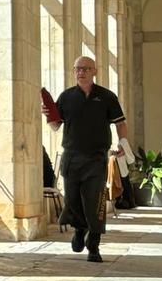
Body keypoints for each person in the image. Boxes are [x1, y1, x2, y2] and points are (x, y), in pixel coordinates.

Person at [44, 56, 127, 262]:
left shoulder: (107, 96)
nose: (81, 72)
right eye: (77, 69)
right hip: (72, 157)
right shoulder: (66, 97)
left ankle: (94, 246)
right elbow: (56, 126)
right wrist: (49, 115)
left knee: (96, 200)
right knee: (72, 199)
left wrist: (123, 143)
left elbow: (120, 123)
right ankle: (80, 230)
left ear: (94, 71)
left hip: (97, 157)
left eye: (85, 69)